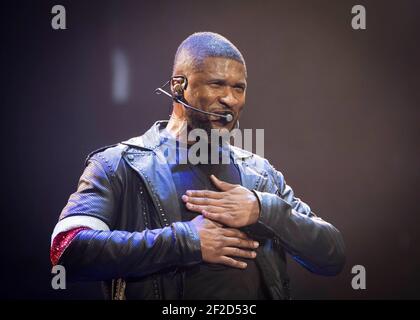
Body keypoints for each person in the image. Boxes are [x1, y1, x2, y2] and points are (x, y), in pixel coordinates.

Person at [50, 32, 345, 300]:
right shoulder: (119, 165)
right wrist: (186, 241)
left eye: (238, 88)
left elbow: (332, 254)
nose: (229, 99)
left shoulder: (261, 174)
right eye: (217, 84)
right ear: (179, 86)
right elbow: (67, 249)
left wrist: (263, 210)